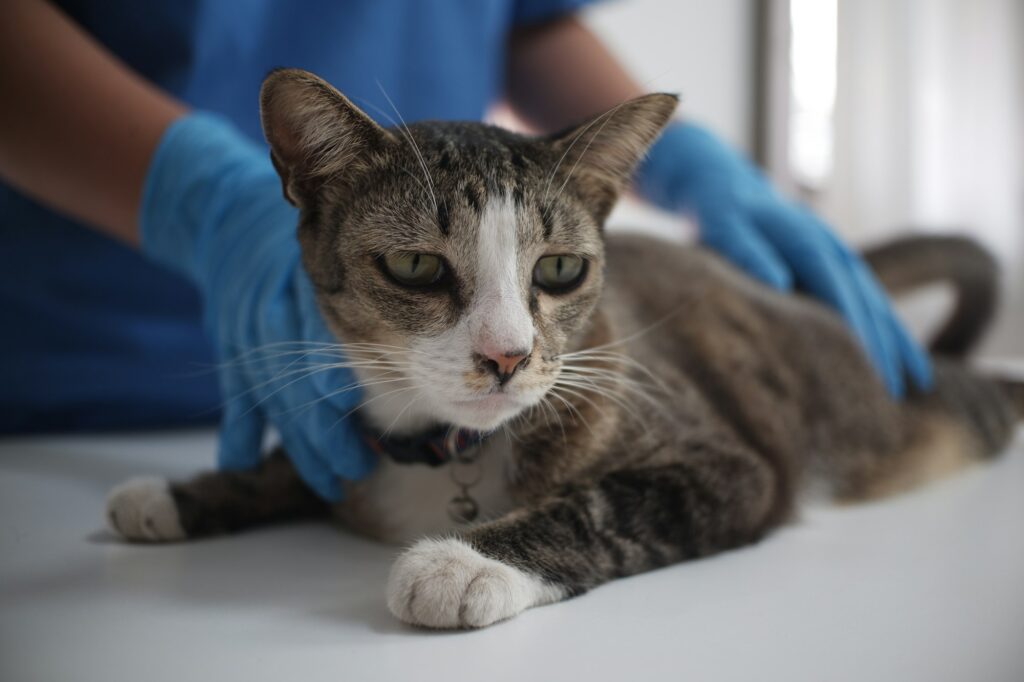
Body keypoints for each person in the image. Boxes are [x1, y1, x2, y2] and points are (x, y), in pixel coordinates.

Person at [0, 0, 931, 500]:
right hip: (75, 383)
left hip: (438, 396)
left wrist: (661, 159)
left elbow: (523, 11)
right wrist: (196, 198)